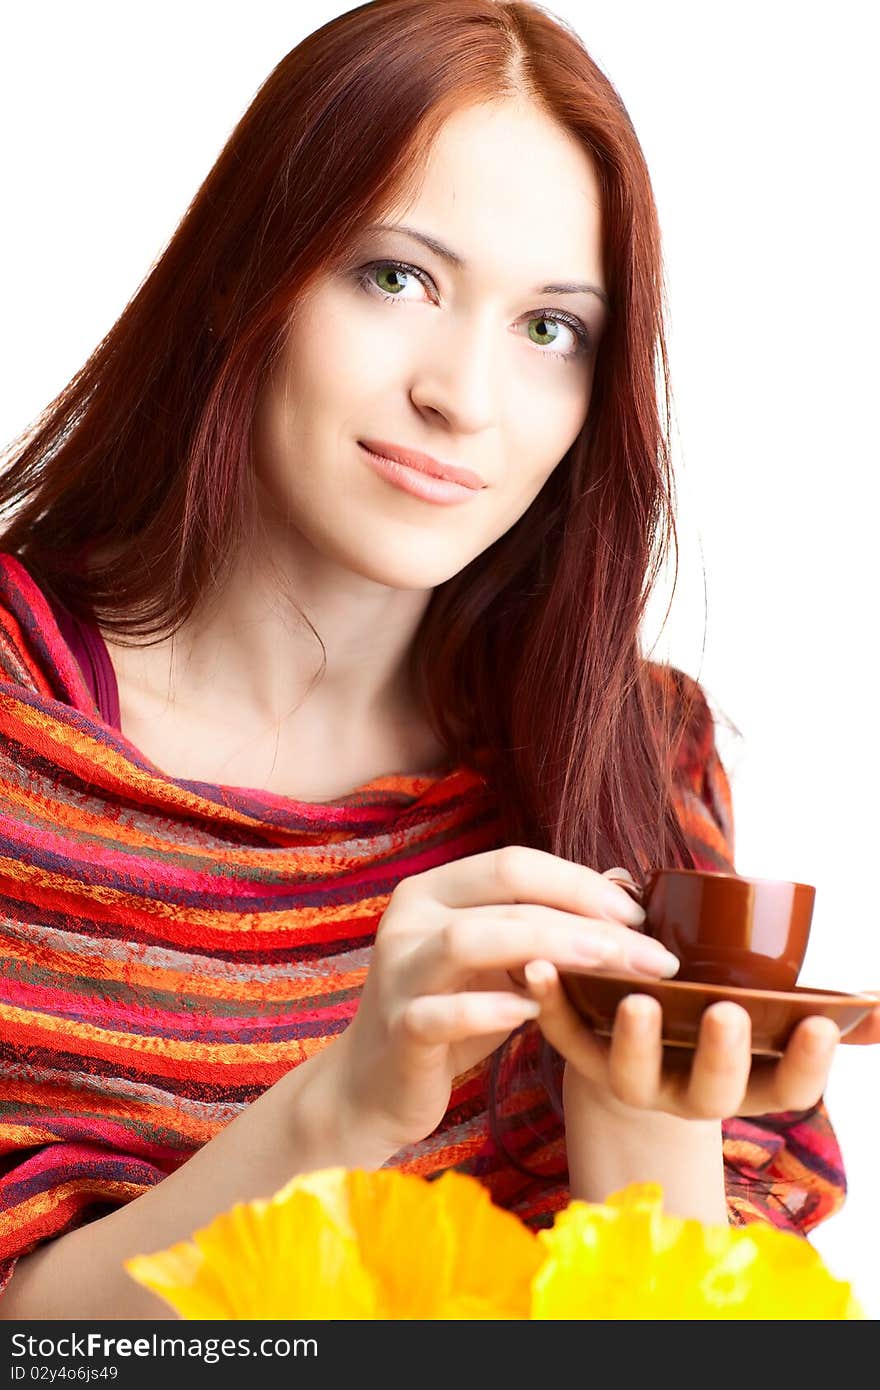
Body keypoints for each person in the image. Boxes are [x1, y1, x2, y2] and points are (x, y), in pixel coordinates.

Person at [0, 0, 875, 1321]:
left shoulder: (634, 752)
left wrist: (637, 1114)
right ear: (247, 273)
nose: (463, 394)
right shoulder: (23, 709)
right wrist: (341, 1108)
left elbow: (703, 1337)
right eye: (396, 277)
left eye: (549, 330)